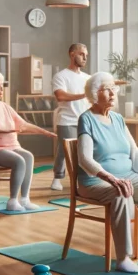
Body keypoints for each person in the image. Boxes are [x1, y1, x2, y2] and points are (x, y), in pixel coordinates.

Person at [76, 72, 138, 273]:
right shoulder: (86, 119)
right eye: (106, 89)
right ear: (93, 94)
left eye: (113, 88)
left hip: (126, 176)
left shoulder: (117, 118)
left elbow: (134, 149)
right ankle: (123, 257)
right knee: (122, 191)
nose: (112, 93)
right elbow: (85, 159)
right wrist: (110, 178)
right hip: (95, 181)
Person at [0, 71, 57, 212]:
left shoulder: (5, 107)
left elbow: (23, 125)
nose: (1, 88)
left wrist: (44, 132)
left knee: (28, 156)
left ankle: (24, 199)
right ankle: (12, 201)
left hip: (11, 146)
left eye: (2, 85)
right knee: (18, 160)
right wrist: (2, 129)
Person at [50, 43, 91, 191]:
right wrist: (84, 95)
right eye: (81, 54)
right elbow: (60, 96)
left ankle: (82, 180)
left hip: (85, 120)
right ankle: (57, 178)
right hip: (67, 120)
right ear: (72, 54)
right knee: (64, 150)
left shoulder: (88, 78)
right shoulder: (61, 76)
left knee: (85, 151)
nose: (84, 57)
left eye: (86, 55)